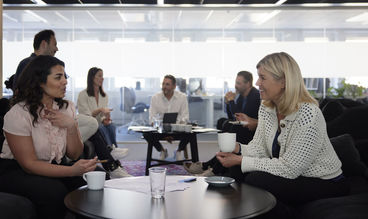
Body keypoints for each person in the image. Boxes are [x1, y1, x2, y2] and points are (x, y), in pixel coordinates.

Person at [215, 52, 349, 217]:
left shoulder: (308, 113)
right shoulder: (266, 107)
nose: (257, 83)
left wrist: (241, 159)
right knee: (237, 170)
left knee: (255, 179)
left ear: (284, 81)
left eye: (262, 78)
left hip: (324, 181)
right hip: (294, 174)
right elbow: (259, 149)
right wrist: (237, 149)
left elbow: (290, 168)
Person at [0, 55, 97, 219]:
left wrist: (71, 125)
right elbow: (29, 165)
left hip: (54, 165)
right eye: (58, 77)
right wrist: (71, 170)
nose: (65, 81)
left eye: (65, 76)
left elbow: (74, 154)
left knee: (91, 184)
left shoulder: (67, 107)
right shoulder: (18, 114)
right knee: (54, 192)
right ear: (39, 82)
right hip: (17, 172)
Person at [185, 71, 261, 176]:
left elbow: (240, 119)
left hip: (253, 133)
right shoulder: (242, 96)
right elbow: (233, 118)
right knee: (223, 122)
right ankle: (210, 165)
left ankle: (212, 168)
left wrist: (231, 101)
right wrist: (228, 103)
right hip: (243, 130)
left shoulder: (254, 96)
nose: (235, 85)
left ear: (248, 84)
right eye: (235, 82)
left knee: (233, 129)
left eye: (239, 83)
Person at [77, 67, 129, 160]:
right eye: (100, 76)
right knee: (100, 127)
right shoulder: (83, 94)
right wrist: (100, 110)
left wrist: (106, 119)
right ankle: (110, 151)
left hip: (99, 123)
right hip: (87, 125)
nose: (102, 78)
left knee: (111, 126)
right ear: (92, 78)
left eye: (103, 76)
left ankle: (114, 149)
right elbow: (86, 116)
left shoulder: (104, 96)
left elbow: (102, 116)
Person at [147, 75, 190, 160]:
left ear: (174, 86)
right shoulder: (155, 98)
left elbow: (185, 117)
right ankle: (162, 151)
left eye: (167, 84)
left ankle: (178, 151)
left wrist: (174, 129)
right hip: (160, 130)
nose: (164, 87)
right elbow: (152, 118)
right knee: (146, 134)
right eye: (163, 84)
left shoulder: (182, 97)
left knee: (190, 133)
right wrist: (164, 130)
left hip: (177, 130)